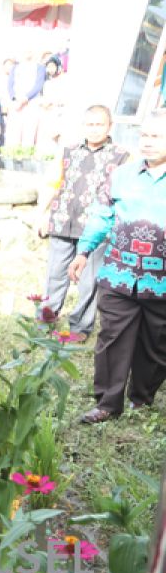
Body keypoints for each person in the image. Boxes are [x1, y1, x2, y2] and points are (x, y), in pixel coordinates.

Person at [72, 109, 166, 424]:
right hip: (119, 274)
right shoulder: (122, 174)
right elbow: (102, 215)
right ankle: (108, 404)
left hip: (162, 281)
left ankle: (142, 398)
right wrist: (84, 250)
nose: (148, 143)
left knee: (157, 345)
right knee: (111, 338)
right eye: (144, 136)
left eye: (156, 136)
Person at [39, 106, 129, 339]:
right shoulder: (69, 151)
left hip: (96, 229)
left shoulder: (122, 156)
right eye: (90, 124)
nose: (94, 129)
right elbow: (52, 183)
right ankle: (45, 321)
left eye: (99, 124)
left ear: (110, 126)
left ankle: (80, 327)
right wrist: (41, 213)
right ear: (83, 126)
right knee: (55, 275)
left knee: (89, 281)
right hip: (62, 221)